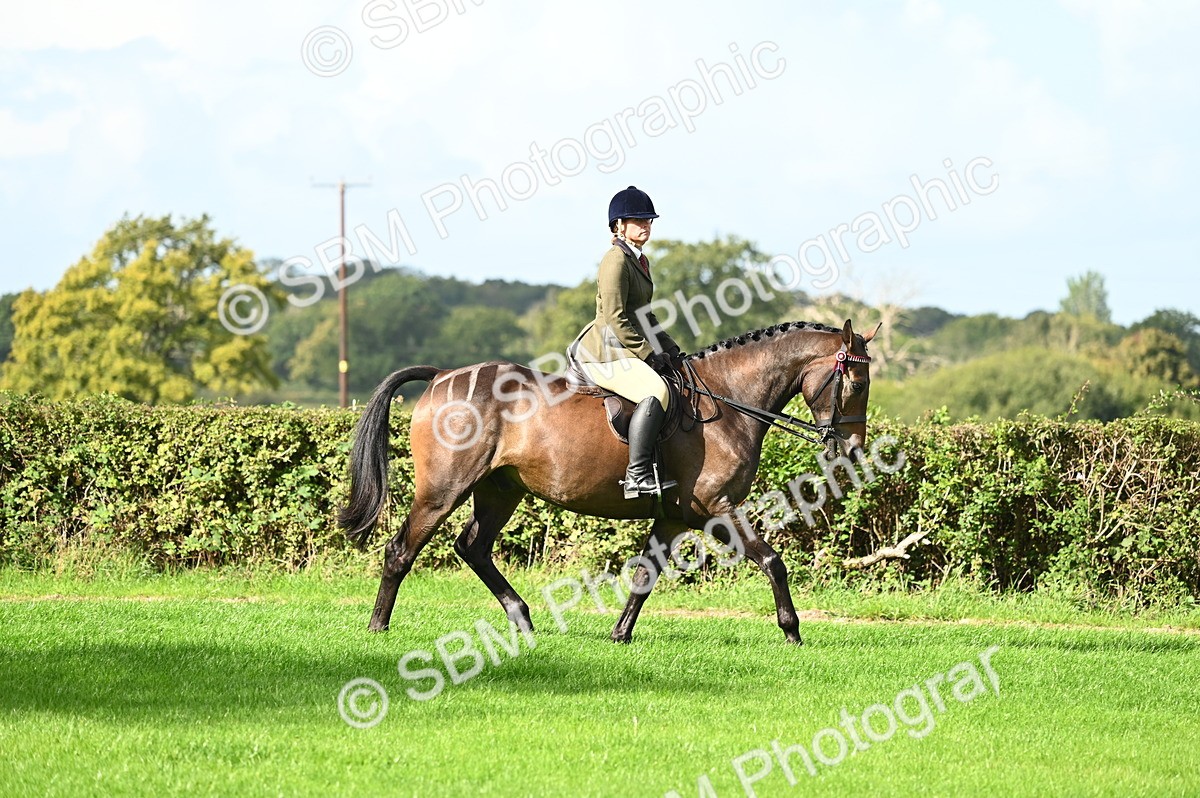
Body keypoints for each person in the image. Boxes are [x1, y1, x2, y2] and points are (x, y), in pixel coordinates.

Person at [568, 186, 683, 499]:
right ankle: (637, 476)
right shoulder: (616, 261)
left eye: (649, 220)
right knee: (656, 390)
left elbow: (644, 314)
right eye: (638, 219)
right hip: (604, 351)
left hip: (623, 347)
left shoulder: (639, 260)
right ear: (619, 225)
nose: (646, 225)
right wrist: (648, 354)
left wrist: (670, 349)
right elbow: (617, 318)